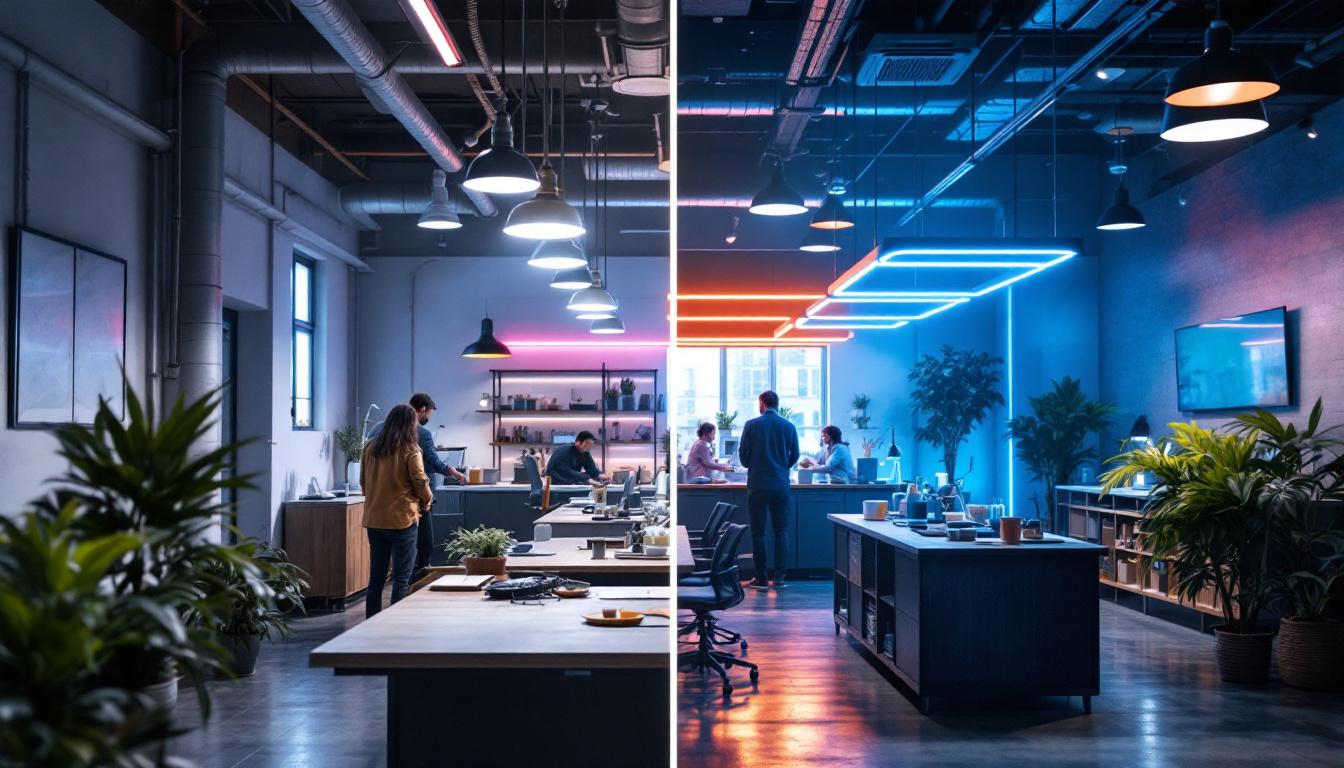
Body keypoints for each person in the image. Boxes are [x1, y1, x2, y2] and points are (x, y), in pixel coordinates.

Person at [369, 393, 466, 582]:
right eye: (429, 413)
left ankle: (382, 607)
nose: (427, 419)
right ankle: (416, 584)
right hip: (411, 502)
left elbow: (366, 471)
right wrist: (452, 474)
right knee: (424, 545)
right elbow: (427, 469)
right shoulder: (419, 436)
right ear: (422, 409)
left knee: (377, 575)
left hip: (377, 507)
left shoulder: (376, 430)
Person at [360, 404, 433, 618]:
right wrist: (427, 500)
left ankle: (370, 624)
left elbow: (363, 481)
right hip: (402, 520)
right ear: (411, 425)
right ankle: (394, 625)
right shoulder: (411, 449)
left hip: (375, 520)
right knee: (401, 579)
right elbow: (420, 481)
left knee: (376, 579)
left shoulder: (370, 447)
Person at [737, 390, 799, 590]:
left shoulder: (751, 425)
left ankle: (761, 578)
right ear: (777, 404)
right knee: (781, 531)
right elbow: (795, 454)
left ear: (762, 403)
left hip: (758, 484)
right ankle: (779, 578)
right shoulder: (789, 426)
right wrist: (782, 467)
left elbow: (743, 457)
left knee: (758, 532)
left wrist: (752, 464)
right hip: (780, 484)